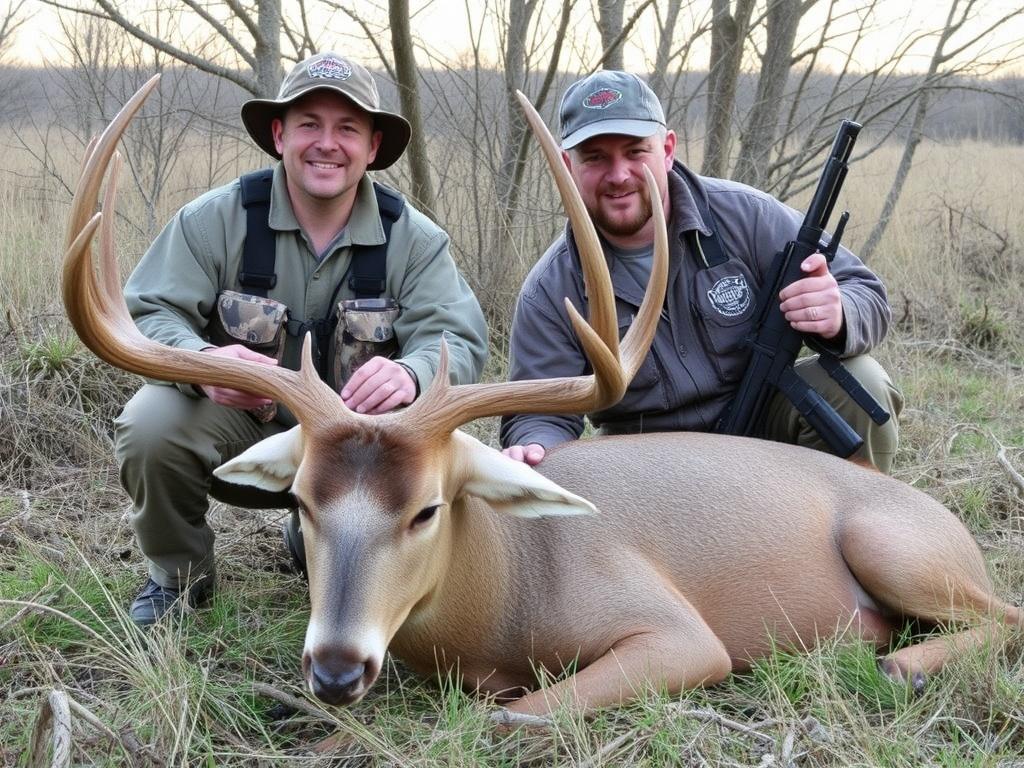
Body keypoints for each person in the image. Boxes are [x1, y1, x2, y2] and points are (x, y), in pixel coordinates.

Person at [115, 52, 488, 625]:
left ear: (371, 147)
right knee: (150, 425)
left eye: (347, 129)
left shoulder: (414, 238)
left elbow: (457, 338)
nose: (326, 144)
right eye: (309, 124)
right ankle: (179, 579)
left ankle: (318, 541)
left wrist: (411, 374)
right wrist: (204, 363)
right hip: (249, 435)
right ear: (278, 133)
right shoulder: (213, 220)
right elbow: (145, 315)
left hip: (363, 455)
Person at [500, 70, 902, 471]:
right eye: (595, 158)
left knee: (861, 381)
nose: (619, 175)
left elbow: (864, 291)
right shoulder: (550, 289)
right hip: (647, 466)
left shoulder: (746, 216)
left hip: (762, 425)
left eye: (636, 152)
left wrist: (838, 313)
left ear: (668, 149)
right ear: (568, 166)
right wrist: (536, 445)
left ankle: (852, 528)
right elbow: (537, 413)